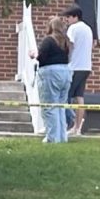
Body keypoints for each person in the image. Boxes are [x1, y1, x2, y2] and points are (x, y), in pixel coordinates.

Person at [35, 16, 73, 144]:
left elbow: (41, 58)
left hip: (50, 73)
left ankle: (52, 138)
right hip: (65, 72)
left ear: (50, 27)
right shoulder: (66, 41)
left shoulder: (48, 40)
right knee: (60, 107)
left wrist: (34, 55)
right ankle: (62, 137)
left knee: (49, 107)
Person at [63, 4, 93, 136]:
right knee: (79, 97)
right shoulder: (88, 29)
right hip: (86, 66)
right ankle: (77, 128)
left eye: (68, 17)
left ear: (76, 16)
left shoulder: (73, 29)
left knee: (65, 97)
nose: (67, 20)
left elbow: (69, 46)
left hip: (74, 67)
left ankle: (65, 125)